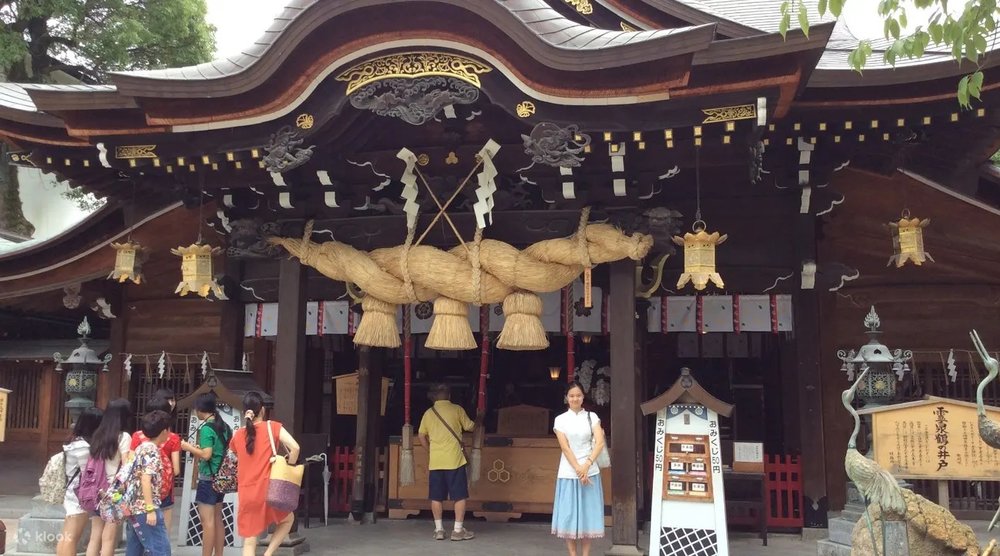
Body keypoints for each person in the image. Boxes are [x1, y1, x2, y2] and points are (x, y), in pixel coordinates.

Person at [230, 391, 299, 556]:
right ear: (262, 410)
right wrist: (288, 463)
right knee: (288, 519)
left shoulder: (238, 435)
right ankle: (268, 553)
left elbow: (235, 455)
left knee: (249, 542)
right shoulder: (273, 427)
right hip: (268, 490)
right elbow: (295, 448)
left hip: (247, 492)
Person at [552, 381, 606, 556]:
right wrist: (578, 469)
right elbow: (565, 447)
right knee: (569, 515)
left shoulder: (592, 417)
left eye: (578, 395)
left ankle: (586, 554)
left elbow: (599, 442)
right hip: (568, 472)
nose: (575, 398)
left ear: (583, 397)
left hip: (590, 471)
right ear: (566, 398)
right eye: (571, 395)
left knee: (587, 514)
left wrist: (587, 465)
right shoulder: (560, 420)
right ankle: (572, 554)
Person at [417, 383, 475, 542]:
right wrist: (480, 418)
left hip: (436, 461)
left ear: (434, 397)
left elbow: (421, 435)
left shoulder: (428, 413)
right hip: (454, 460)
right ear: (449, 396)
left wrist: (430, 450)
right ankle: (457, 531)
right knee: (460, 496)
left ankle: (439, 530)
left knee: (436, 496)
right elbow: (470, 427)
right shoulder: (457, 409)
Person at [179, 393, 232, 556]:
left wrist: (188, 447)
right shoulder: (225, 427)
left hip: (208, 478)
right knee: (217, 519)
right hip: (221, 478)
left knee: (207, 522)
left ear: (201, 409)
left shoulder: (207, 428)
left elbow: (207, 454)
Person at [121, 410, 173, 556]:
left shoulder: (140, 447)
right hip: (145, 508)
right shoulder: (152, 451)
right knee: (161, 550)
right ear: (164, 431)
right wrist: (150, 509)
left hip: (133, 507)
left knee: (134, 550)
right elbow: (146, 478)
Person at [55, 407, 102, 556]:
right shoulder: (84, 448)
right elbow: (88, 474)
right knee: (72, 538)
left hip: (71, 493)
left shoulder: (73, 442)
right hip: (79, 496)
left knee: (66, 536)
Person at [89, 398, 132, 556]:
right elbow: (127, 466)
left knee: (95, 536)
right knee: (109, 536)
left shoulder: (97, 435)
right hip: (113, 490)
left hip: (95, 488)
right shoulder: (123, 437)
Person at [129, 397, 180, 529]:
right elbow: (177, 470)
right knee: (162, 533)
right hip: (163, 490)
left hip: (138, 494)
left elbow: (130, 463)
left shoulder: (137, 437)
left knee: (139, 534)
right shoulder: (172, 438)